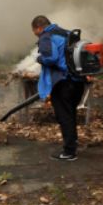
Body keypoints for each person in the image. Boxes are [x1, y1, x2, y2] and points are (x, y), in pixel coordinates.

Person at [32, 15, 85, 161]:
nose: (36, 34)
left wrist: (39, 58)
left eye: (35, 32)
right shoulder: (68, 33)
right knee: (71, 114)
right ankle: (72, 145)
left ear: (39, 27)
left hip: (62, 83)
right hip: (77, 81)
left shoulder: (46, 36)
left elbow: (51, 58)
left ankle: (69, 152)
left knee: (64, 117)